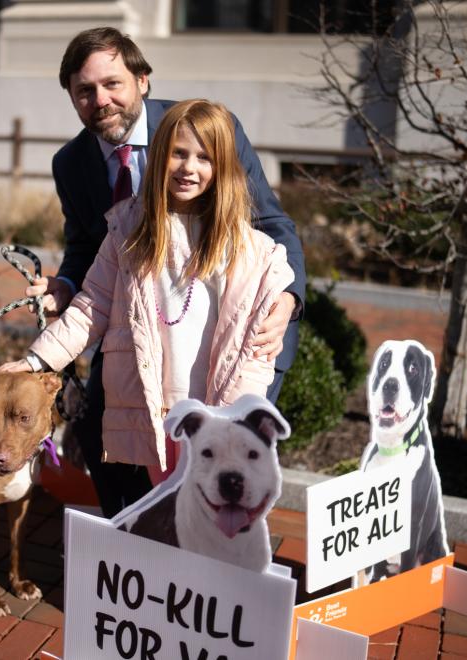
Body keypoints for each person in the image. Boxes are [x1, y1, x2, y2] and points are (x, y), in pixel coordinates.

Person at [25, 27, 305, 517]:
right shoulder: (71, 163)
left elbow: (269, 225)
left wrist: (287, 299)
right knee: (98, 431)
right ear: (71, 96)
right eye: (84, 91)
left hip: (233, 333)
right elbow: (88, 250)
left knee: (220, 461)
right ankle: (132, 537)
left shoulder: (204, 130)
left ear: (143, 81)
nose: (101, 100)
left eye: (113, 83)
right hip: (140, 323)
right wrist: (64, 285)